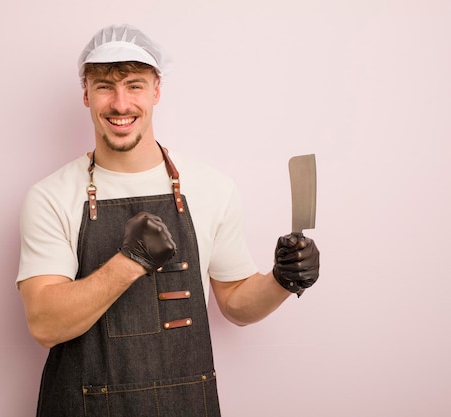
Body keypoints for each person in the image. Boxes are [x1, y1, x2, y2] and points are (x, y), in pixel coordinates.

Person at [16, 24, 320, 417]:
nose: (120, 103)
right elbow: (45, 324)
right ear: (86, 94)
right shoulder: (50, 196)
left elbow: (236, 304)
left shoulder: (211, 187)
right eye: (105, 85)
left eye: (134, 84)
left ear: (156, 90)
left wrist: (281, 281)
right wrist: (130, 262)